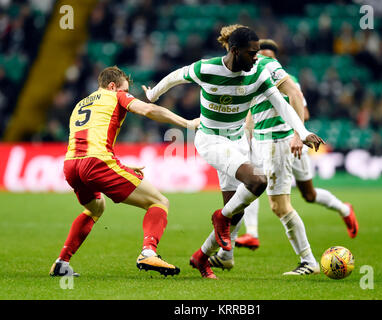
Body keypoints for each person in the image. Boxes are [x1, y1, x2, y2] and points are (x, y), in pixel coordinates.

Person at [145, 26, 325, 278]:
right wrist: (153, 94)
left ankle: (202, 256)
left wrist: (303, 133)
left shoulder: (259, 72)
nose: (256, 58)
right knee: (257, 181)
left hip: (238, 141)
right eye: (252, 53)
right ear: (235, 50)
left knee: (236, 211)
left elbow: (281, 105)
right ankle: (221, 218)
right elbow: (176, 76)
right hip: (211, 140)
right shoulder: (206, 68)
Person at [49, 66, 199, 277]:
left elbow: (91, 141)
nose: (126, 92)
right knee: (159, 201)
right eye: (125, 88)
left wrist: (122, 166)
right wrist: (187, 123)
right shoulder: (116, 95)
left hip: (71, 164)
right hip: (97, 163)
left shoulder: (81, 103)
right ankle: (148, 252)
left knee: (95, 208)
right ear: (113, 86)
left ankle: (61, 262)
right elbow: (148, 110)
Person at [206, 32, 322, 276]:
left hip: (276, 142)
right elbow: (251, 111)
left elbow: (295, 94)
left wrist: (297, 133)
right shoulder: (244, 73)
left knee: (280, 206)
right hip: (259, 142)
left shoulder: (267, 66)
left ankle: (309, 261)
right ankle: (226, 255)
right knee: (242, 195)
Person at [234, 39, 359, 252]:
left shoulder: (288, 79)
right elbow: (251, 112)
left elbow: (304, 110)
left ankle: (344, 209)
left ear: (276, 59)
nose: (263, 60)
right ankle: (252, 234)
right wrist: (247, 137)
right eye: (260, 55)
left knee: (308, 195)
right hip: (266, 142)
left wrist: (296, 134)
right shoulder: (252, 76)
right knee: (252, 183)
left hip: (292, 142)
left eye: (268, 57)